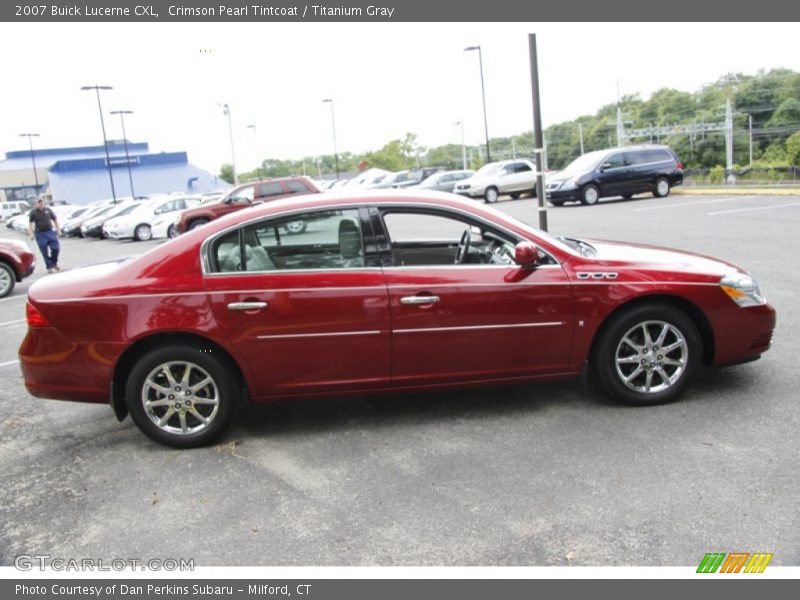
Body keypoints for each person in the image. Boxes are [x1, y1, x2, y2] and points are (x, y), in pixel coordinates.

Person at [28, 197, 62, 273]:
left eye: (42, 203)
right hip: (40, 234)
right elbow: (30, 224)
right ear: (36, 204)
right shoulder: (33, 213)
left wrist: (58, 230)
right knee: (44, 251)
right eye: (39, 203)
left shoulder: (48, 210)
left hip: (50, 232)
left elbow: (55, 220)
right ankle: (50, 267)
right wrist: (31, 234)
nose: (41, 204)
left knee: (56, 248)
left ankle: (54, 263)